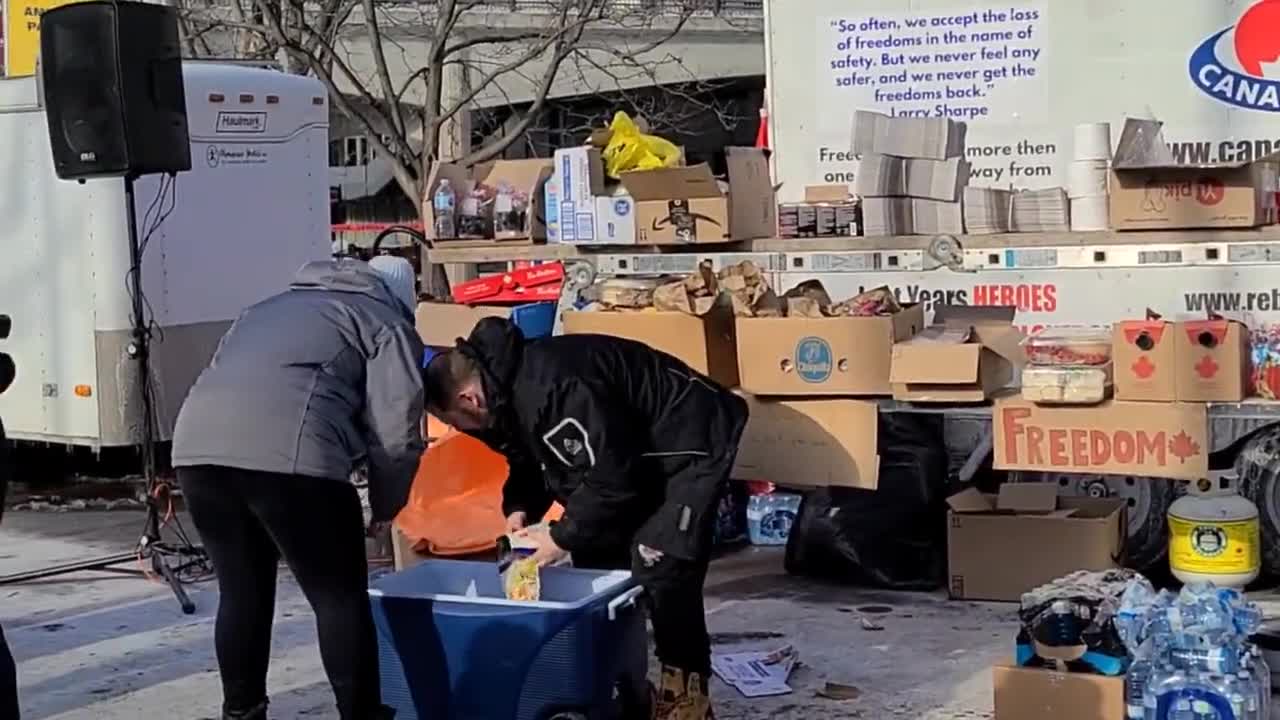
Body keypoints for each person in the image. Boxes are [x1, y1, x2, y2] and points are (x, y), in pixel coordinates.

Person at [424, 316, 747, 720]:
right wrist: (519, 509)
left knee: (662, 560)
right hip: (633, 452)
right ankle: (621, 680)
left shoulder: (554, 391)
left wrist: (560, 537)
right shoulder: (503, 391)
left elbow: (611, 481)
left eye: (456, 422)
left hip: (690, 438)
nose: (463, 431)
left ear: (470, 399)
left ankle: (687, 694)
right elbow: (527, 458)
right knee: (600, 565)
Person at [172, 256, 426, 720]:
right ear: (402, 299)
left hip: (196, 449)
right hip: (292, 455)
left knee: (242, 591)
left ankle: (241, 712)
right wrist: (387, 505)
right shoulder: (385, 321)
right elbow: (398, 431)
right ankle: (361, 714)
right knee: (338, 597)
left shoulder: (267, 307)